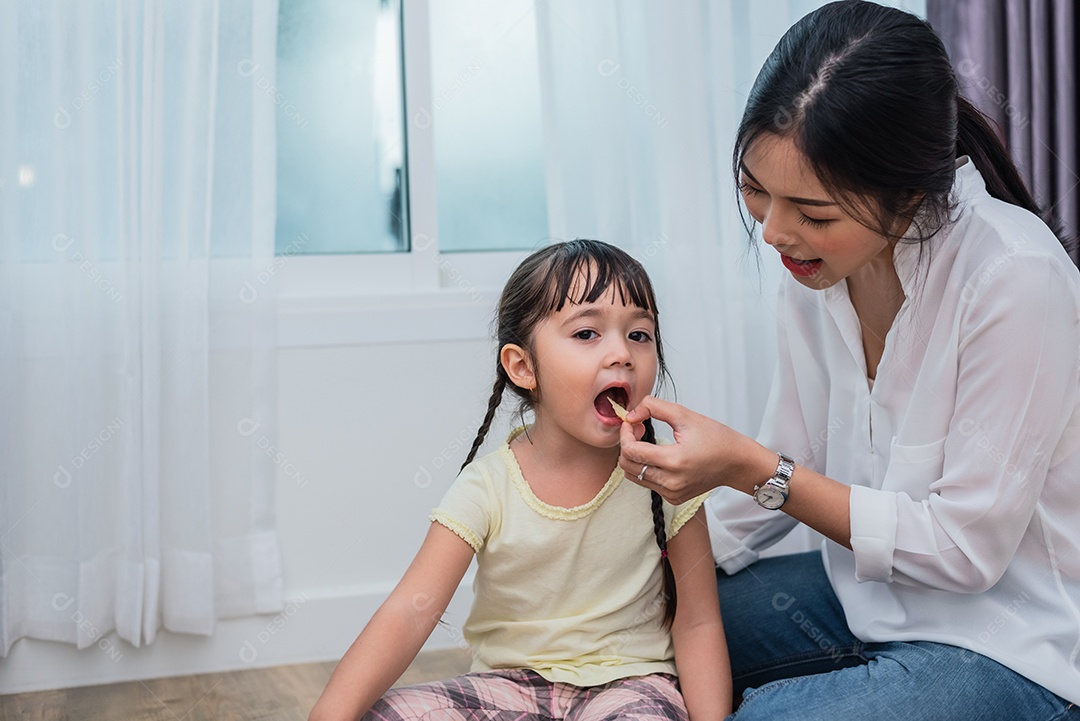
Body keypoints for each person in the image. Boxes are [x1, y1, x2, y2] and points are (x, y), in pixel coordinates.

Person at [614, 2, 1080, 719]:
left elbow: (962, 551)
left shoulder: (1014, 277)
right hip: (866, 601)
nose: (774, 232)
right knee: (637, 626)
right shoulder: (815, 274)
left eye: (813, 212)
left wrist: (749, 466)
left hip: (1013, 643)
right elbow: (790, 455)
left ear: (907, 194)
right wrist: (650, 564)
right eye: (756, 192)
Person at [309, 239, 732, 721]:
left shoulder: (671, 479)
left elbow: (698, 624)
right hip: (507, 688)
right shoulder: (487, 486)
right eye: (588, 333)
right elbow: (411, 610)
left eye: (639, 334)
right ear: (524, 367)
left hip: (631, 685)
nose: (622, 353)